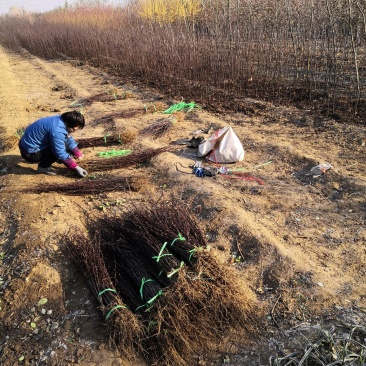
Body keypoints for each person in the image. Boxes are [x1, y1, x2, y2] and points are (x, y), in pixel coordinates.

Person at [18, 111, 88, 177]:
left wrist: (77, 153)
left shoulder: (61, 120)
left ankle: (51, 159)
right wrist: (76, 167)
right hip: (30, 154)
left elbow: (68, 136)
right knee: (61, 148)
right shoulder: (57, 129)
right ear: (71, 125)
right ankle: (43, 167)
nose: (75, 131)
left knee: (63, 144)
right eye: (76, 129)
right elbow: (59, 152)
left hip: (25, 145)